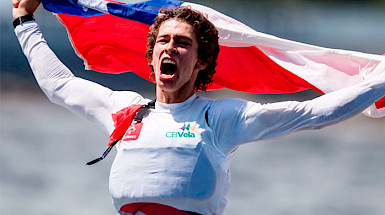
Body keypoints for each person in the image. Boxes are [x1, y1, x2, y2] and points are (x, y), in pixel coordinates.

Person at [12, 0, 385, 214]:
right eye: (163, 41)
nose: (170, 48)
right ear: (152, 55)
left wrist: (380, 82)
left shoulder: (221, 118)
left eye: (183, 43)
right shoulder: (124, 110)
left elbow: (314, 114)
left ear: (201, 62)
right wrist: (24, 20)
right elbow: (59, 84)